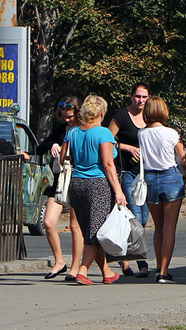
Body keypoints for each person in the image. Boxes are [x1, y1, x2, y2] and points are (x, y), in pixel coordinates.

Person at [67, 94, 127, 285]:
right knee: (96, 232)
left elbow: (63, 159)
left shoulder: (74, 132)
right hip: (98, 185)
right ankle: (82, 271)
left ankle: (107, 272)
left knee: (91, 230)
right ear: (102, 113)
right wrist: (118, 190)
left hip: (76, 183)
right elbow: (109, 165)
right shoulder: (103, 133)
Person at [138, 96, 186, 284]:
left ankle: (159, 266)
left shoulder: (141, 134)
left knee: (158, 227)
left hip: (150, 179)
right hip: (170, 178)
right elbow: (184, 160)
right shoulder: (171, 134)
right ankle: (164, 271)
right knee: (169, 228)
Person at [36, 95, 84, 281]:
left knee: (75, 226)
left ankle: (75, 267)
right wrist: (53, 144)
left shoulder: (83, 130)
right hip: (60, 181)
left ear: (78, 114)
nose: (67, 119)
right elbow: (40, 148)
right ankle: (59, 261)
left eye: (70, 116)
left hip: (78, 178)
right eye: (64, 116)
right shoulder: (61, 130)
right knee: (48, 222)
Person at [109, 83, 151, 277]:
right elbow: (107, 140)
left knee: (143, 219)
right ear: (131, 96)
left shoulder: (151, 116)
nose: (140, 100)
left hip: (147, 174)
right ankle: (141, 263)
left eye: (144, 97)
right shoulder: (122, 116)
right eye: (137, 96)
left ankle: (125, 257)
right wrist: (127, 148)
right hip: (128, 173)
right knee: (135, 217)